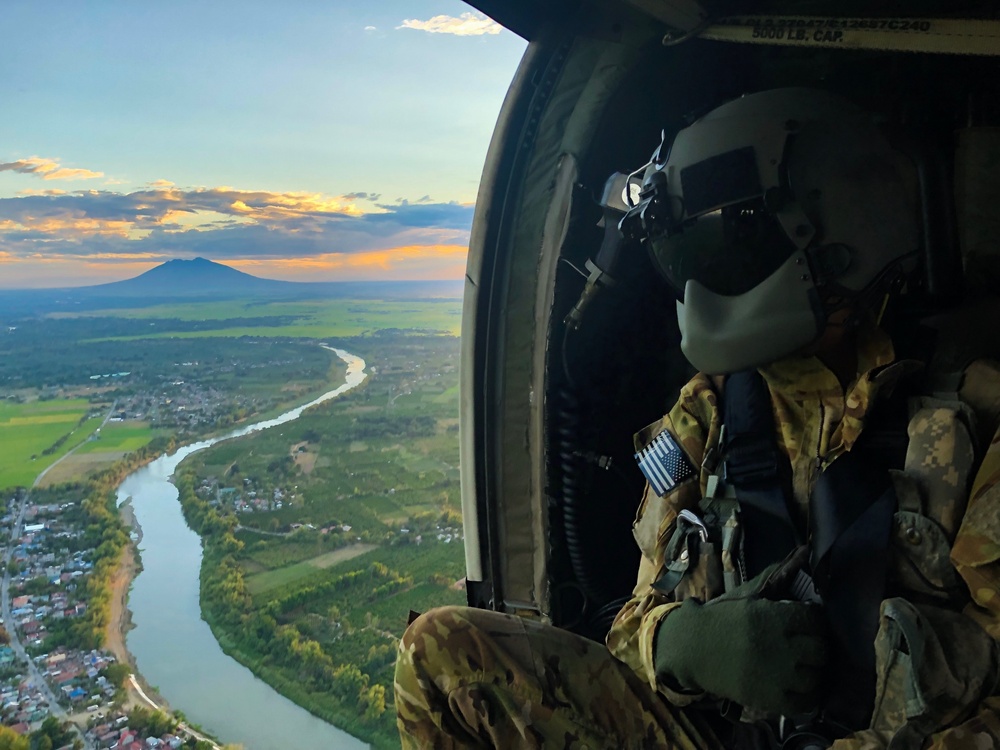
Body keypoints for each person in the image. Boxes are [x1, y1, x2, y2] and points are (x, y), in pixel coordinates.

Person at [393, 88, 1000, 749]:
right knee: (439, 655)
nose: (706, 279)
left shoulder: (970, 423)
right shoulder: (707, 414)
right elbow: (633, 624)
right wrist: (680, 644)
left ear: (838, 241)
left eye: (730, 247)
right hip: (712, 734)